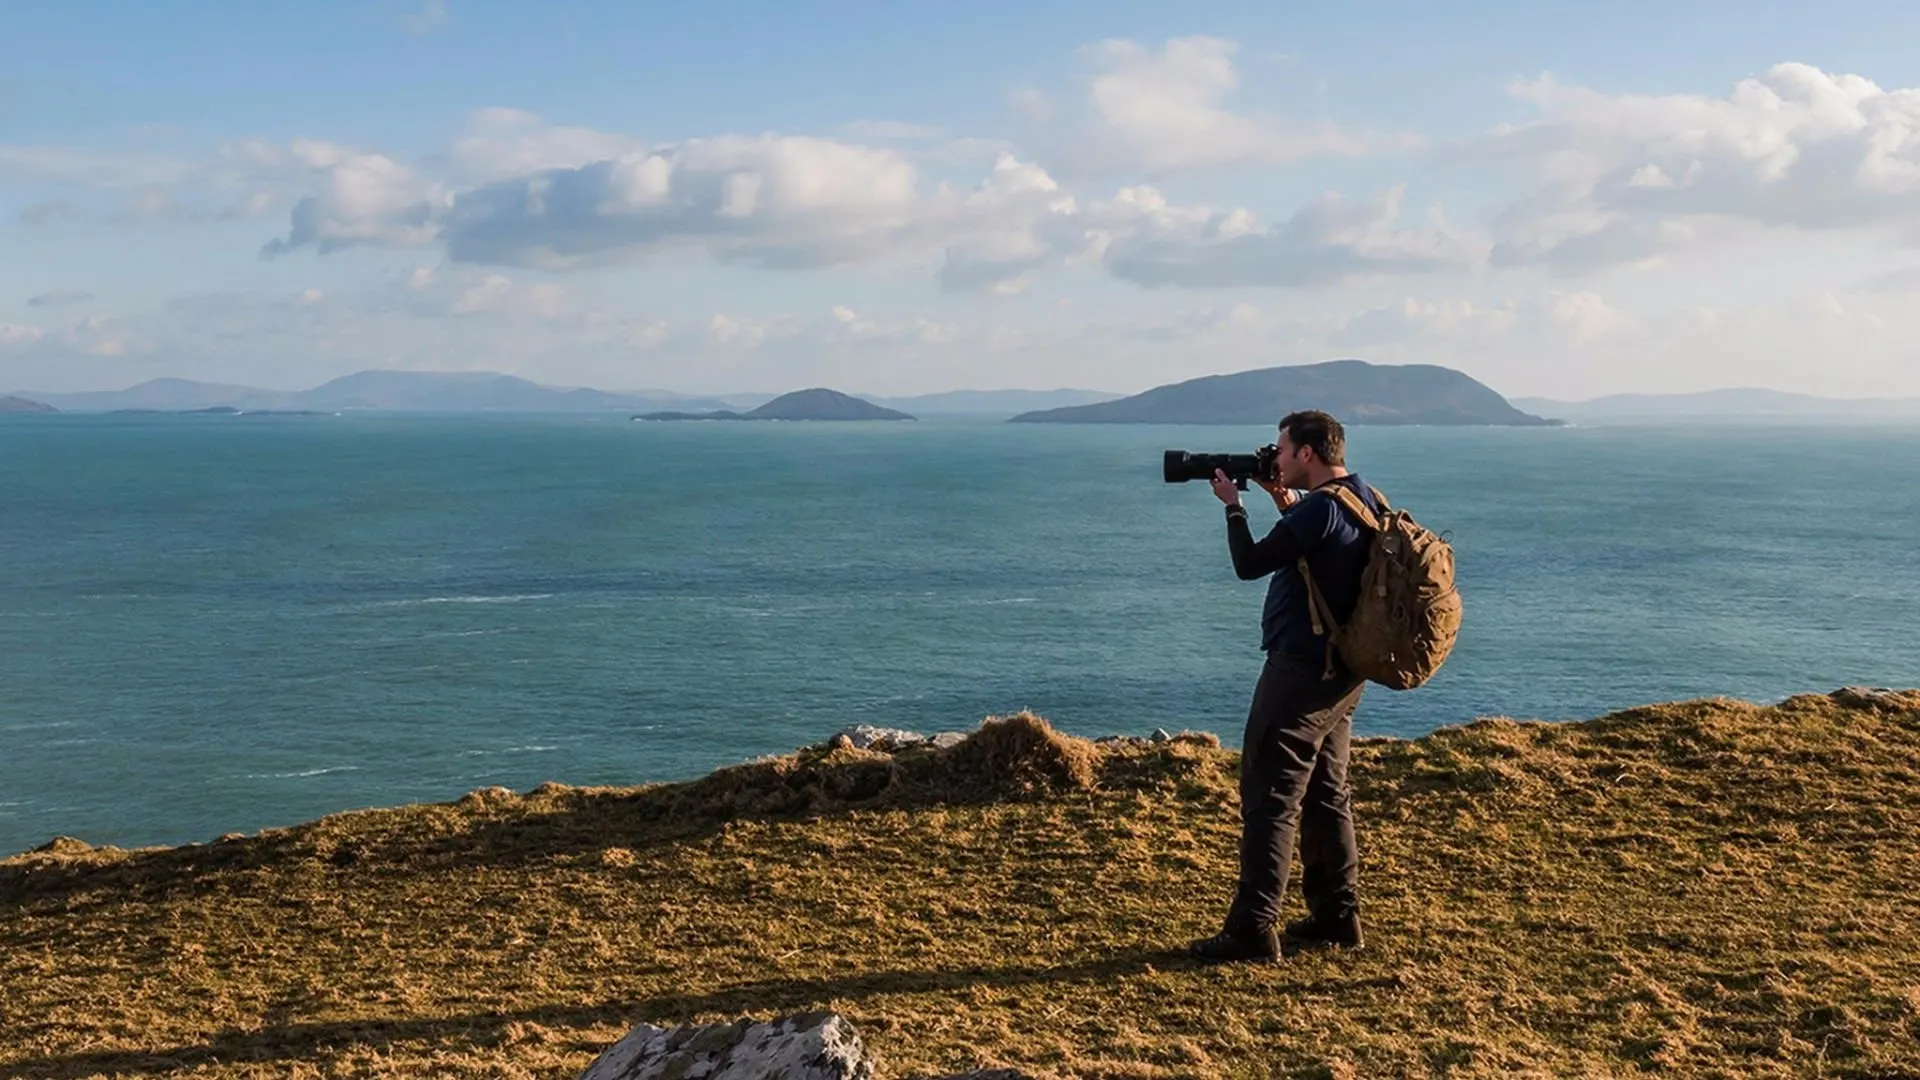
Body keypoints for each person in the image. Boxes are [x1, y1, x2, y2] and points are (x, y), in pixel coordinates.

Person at [1189, 409, 1382, 964]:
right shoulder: (1360, 495)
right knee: (1326, 792)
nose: (1272, 458)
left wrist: (1233, 506)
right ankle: (1336, 917)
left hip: (1299, 672)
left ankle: (1253, 928)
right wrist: (1281, 502)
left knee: (1269, 798)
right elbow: (1323, 556)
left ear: (1307, 453)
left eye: (1281, 449)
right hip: (1342, 672)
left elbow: (1249, 564)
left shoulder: (1319, 510)